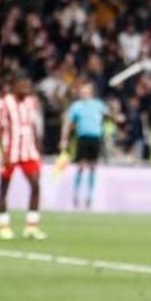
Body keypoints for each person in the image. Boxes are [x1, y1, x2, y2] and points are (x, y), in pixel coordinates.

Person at [0, 74, 46, 240]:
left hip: (28, 151)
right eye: (23, 86)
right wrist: (2, 153)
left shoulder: (31, 103)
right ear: (14, 85)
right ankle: (4, 226)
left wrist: (38, 148)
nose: (26, 89)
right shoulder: (3, 104)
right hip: (10, 152)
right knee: (4, 187)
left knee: (36, 185)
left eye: (28, 86)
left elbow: (34, 126)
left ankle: (31, 226)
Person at [59, 81, 110, 210]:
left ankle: (90, 197)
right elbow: (68, 123)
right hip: (82, 138)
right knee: (81, 166)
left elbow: (109, 117)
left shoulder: (99, 105)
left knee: (93, 167)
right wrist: (64, 138)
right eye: (82, 91)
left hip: (96, 138)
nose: (84, 93)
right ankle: (76, 195)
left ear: (91, 92)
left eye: (86, 90)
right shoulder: (76, 106)